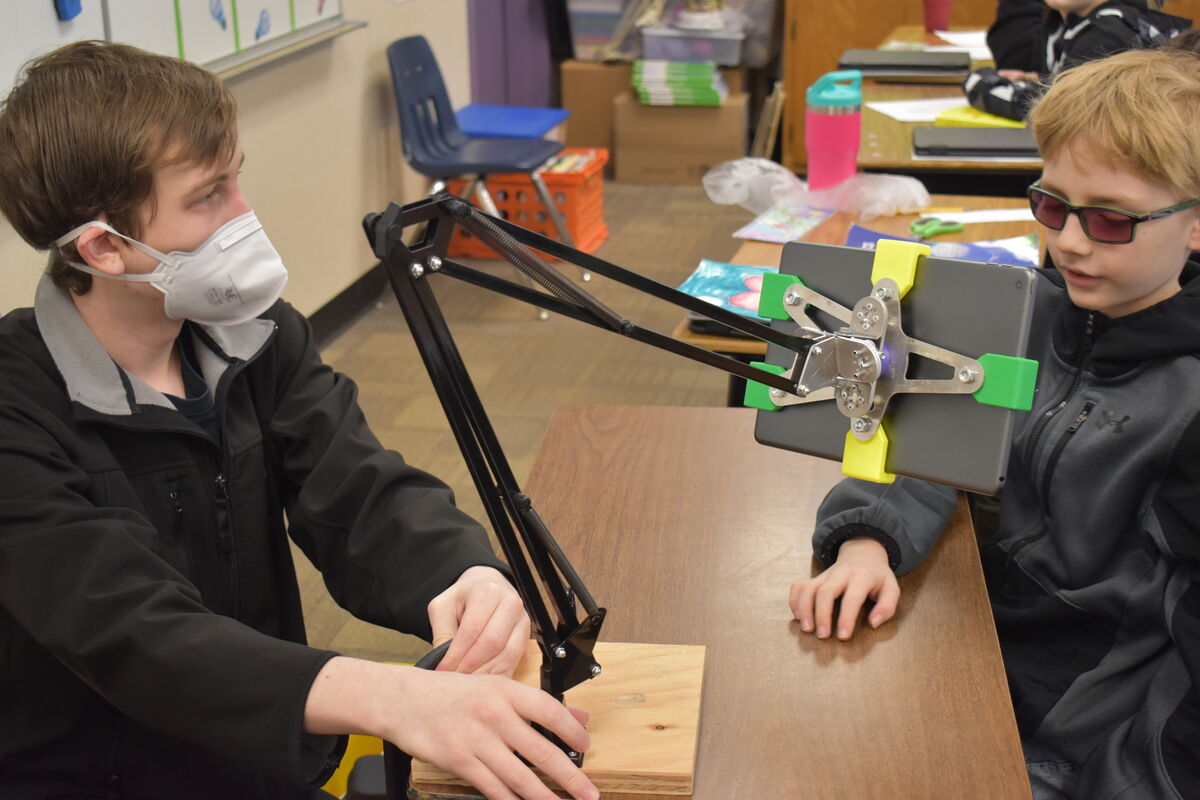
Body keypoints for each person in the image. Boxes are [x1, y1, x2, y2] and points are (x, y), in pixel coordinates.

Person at [0, 41, 598, 800]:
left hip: (257, 758)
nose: (245, 217)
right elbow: (136, 633)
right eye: (209, 196)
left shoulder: (261, 339)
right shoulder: (17, 408)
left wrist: (465, 572)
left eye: (237, 178)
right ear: (105, 248)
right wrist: (390, 698)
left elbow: (358, 491)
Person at [790, 47, 1200, 799]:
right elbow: (930, 441)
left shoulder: (1189, 405)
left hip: (1071, 742)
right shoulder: (1023, 312)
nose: (1070, 241)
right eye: (1051, 205)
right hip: (959, 655)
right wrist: (865, 541)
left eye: (1111, 219)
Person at [965, 0, 1190, 120]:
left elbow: (1052, 109)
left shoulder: (1108, 31)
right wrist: (1042, 79)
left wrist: (980, 83)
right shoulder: (1070, 23)